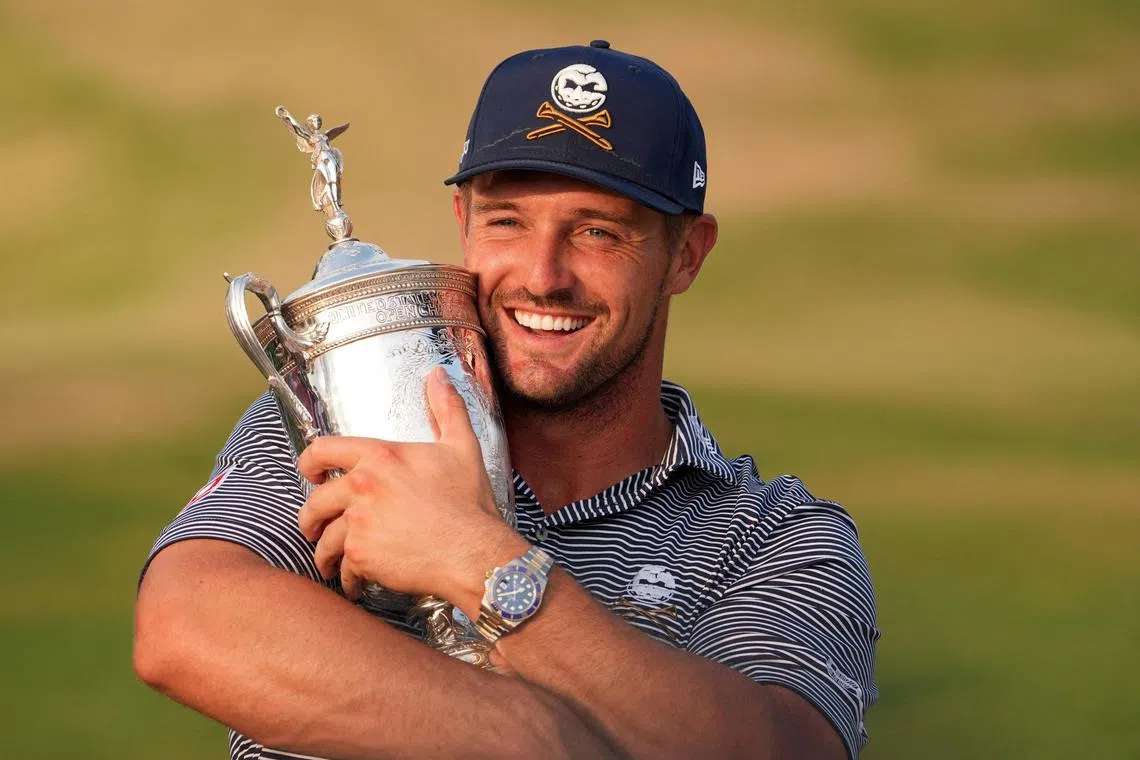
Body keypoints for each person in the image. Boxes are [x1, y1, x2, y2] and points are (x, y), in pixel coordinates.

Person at [134, 40, 880, 760]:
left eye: (598, 233)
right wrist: (530, 736)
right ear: (463, 222)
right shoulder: (340, 418)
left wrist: (476, 559)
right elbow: (185, 623)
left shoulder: (775, 536)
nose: (543, 276)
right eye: (508, 223)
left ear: (685, 254)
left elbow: (784, 750)